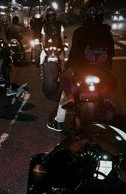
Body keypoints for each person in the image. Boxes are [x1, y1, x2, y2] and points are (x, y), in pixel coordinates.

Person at [47, 0, 117, 132]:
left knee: (64, 79)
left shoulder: (80, 31)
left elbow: (74, 54)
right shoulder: (106, 31)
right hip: (101, 71)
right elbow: (111, 53)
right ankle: (107, 98)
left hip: (82, 71)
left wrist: (68, 67)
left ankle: (60, 119)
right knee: (113, 81)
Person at [39, 8, 65, 80]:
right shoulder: (60, 25)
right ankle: (62, 72)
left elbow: (43, 39)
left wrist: (43, 47)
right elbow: (62, 37)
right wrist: (62, 45)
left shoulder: (44, 26)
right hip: (58, 47)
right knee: (63, 60)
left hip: (47, 48)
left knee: (41, 58)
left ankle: (41, 72)